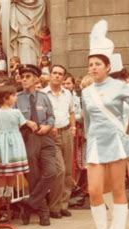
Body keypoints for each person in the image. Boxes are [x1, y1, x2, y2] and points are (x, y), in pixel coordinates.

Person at [81, 19, 129, 229]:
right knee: (95, 190)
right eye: (90, 64)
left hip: (117, 143)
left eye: (98, 64)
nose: (93, 68)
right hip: (96, 145)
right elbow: (87, 122)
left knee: (119, 190)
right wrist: (87, 148)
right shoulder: (85, 92)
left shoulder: (119, 86)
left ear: (107, 67)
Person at [15, 64, 56, 227]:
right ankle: (43, 212)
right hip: (28, 137)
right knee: (33, 176)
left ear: (36, 79)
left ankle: (29, 203)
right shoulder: (17, 98)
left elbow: (51, 116)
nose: (24, 80)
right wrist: (26, 122)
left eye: (28, 77)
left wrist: (48, 126)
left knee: (52, 172)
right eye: (22, 77)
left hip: (45, 137)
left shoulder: (44, 97)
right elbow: (12, 117)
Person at [42, 64, 76, 219]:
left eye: (60, 74)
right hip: (51, 135)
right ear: (50, 75)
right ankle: (54, 207)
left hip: (66, 131)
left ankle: (64, 205)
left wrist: (74, 127)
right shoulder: (42, 94)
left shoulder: (67, 93)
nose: (56, 76)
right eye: (54, 73)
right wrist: (49, 127)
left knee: (68, 171)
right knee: (59, 170)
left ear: (63, 77)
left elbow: (71, 112)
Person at [0, 85, 33, 200]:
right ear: (6, 98)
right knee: (12, 171)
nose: (16, 97)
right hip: (14, 140)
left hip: (1, 140)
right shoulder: (16, 112)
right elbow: (22, 124)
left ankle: (0, 193)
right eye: (14, 95)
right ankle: (8, 193)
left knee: (3, 171)